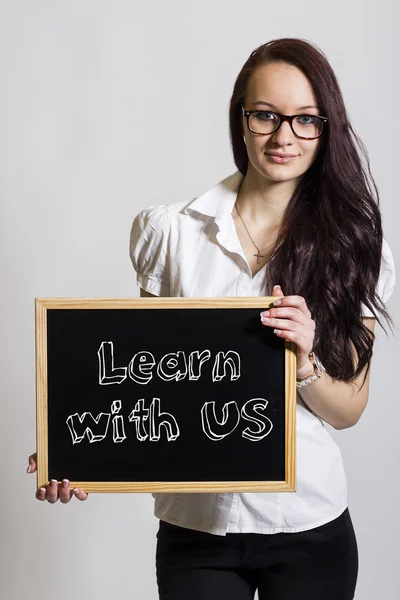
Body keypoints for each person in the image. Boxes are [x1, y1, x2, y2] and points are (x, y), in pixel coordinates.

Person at [27, 37, 396, 600]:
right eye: (266, 115)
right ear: (241, 118)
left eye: (305, 120)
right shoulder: (170, 232)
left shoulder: (358, 249)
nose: (283, 137)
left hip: (307, 525)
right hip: (195, 528)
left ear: (327, 128)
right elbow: (145, 376)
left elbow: (349, 409)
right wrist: (75, 446)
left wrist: (304, 364)